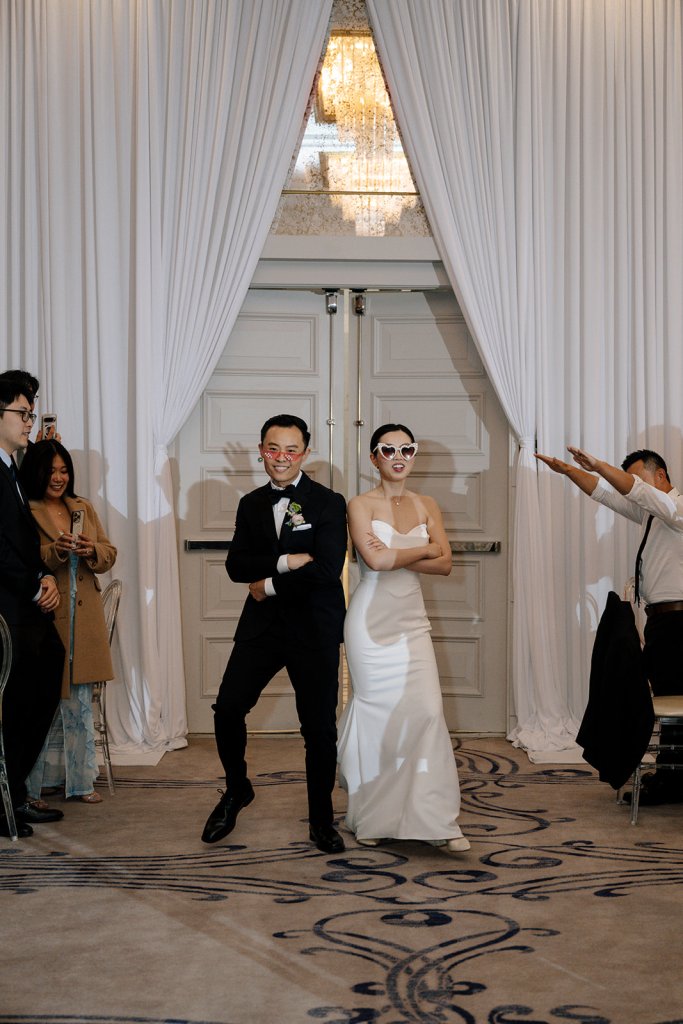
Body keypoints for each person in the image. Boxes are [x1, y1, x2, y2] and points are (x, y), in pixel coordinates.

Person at [201, 414, 348, 853]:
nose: (281, 457)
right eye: (272, 449)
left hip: (314, 627)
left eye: (290, 449)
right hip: (262, 627)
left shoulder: (329, 502)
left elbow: (327, 569)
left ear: (305, 453)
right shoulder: (250, 503)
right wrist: (286, 561)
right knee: (228, 708)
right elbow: (235, 566)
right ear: (261, 451)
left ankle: (321, 819)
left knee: (318, 728)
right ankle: (237, 789)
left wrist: (267, 584)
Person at [337, 423, 470, 854]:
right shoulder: (359, 504)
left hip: (412, 620)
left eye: (406, 449)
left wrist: (400, 555)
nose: (398, 457)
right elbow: (375, 562)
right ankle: (374, 816)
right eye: (388, 449)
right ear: (373, 458)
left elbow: (446, 564)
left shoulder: (427, 504)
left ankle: (436, 819)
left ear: (414, 455)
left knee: (428, 712)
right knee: (379, 717)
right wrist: (425, 549)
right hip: (369, 623)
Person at [535, 445, 683, 804]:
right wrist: (569, 471)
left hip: (679, 625)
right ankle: (670, 778)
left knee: (674, 705)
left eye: (637, 479)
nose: (630, 486)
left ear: (660, 475)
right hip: (662, 623)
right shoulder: (651, 514)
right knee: (665, 699)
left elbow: (633, 492)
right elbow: (606, 495)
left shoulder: (676, 508)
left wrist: (599, 465)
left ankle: (671, 782)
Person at [19, 441, 117, 804]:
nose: (58, 478)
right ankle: (31, 787)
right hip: (48, 614)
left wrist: (92, 550)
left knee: (79, 703)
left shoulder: (82, 507)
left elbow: (109, 554)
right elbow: (22, 560)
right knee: (42, 703)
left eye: (64, 471)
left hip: (84, 617)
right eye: (51, 471)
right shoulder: (26, 509)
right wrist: (55, 551)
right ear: (37, 473)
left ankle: (81, 783)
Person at [0, 378, 64, 837]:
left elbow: (21, 541)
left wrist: (44, 576)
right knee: (15, 705)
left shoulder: (11, 468)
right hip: (7, 613)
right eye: (23, 413)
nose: (29, 421)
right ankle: (6, 803)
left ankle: (14, 794)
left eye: (31, 413)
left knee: (37, 694)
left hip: (24, 606)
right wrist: (34, 584)